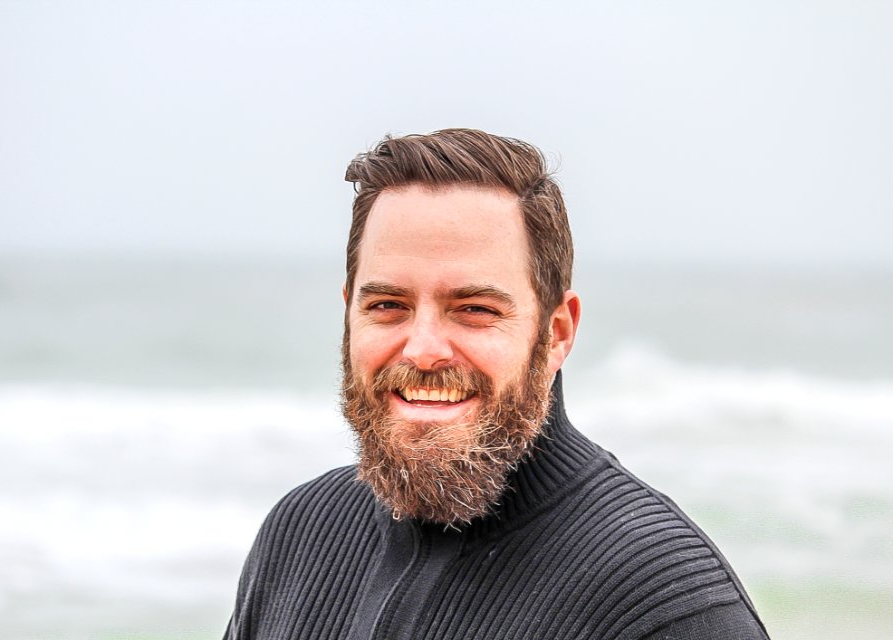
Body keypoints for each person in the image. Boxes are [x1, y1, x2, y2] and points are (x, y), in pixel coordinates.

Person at [223, 129, 769, 639]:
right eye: (388, 305)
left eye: (475, 309)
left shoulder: (662, 603)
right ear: (349, 315)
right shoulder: (299, 534)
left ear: (556, 333)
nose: (424, 349)